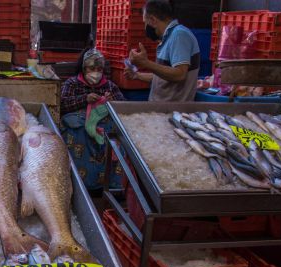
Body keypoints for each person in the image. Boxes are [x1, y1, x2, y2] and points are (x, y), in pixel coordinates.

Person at [60, 48, 125, 195]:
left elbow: (123, 108)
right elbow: (62, 105)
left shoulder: (109, 86)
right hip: (80, 131)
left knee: (115, 140)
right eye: (91, 68)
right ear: (84, 68)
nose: (95, 72)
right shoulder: (72, 84)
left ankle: (111, 187)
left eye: (99, 69)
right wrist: (84, 99)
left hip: (103, 130)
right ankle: (79, 186)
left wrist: (112, 103)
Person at [125, 0, 200, 102]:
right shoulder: (168, 38)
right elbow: (164, 77)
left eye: (145, 23)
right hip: (160, 109)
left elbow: (180, 74)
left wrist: (146, 63)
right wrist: (137, 75)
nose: (145, 27)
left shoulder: (179, 35)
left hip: (173, 112)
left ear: (153, 20)